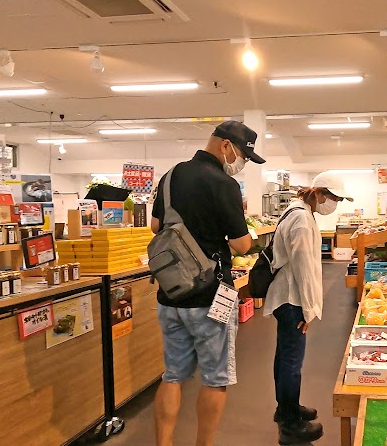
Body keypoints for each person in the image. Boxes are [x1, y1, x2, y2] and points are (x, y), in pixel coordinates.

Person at [150, 120, 265, 446]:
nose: (240, 164)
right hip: (212, 296)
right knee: (215, 380)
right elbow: (242, 245)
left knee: (172, 376)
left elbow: (156, 226)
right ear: (226, 146)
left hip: (171, 294)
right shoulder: (223, 184)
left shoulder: (171, 175)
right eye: (242, 155)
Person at [265, 172, 354, 445]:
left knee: (285, 357)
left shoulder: (300, 211)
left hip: (289, 297)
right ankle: (291, 426)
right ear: (318, 193)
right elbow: (304, 270)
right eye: (333, 198)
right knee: (292, 362)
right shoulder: (302, 220)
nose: (334, 204)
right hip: (293, 299)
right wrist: (308, 310)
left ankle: (286, 408)